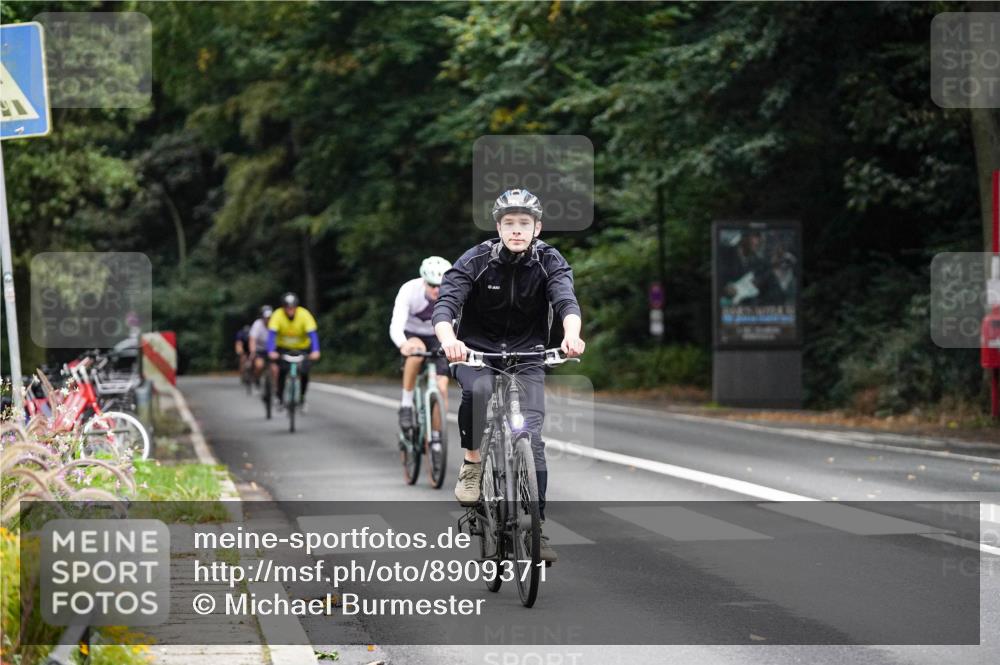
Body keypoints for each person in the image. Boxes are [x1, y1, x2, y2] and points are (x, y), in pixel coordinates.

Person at [433, 188, 585, 564]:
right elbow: (446, 304)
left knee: (531, 439)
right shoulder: (476, 260)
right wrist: (450, 340)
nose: (517, 230)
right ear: (498, 227)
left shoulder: (549, 260)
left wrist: (571, 334)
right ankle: (472, 464)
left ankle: (537, 528)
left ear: (537, 228)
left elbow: (565, 300)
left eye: (524, 223)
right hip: (475, 352)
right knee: (480, 390)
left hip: (528, 354)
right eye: (509, 223)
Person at [390, 256, 452, 436]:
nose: (436, 289)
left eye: (441, 285)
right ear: (424, 281)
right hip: (413, 333)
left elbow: (459, 323)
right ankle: (406, 404)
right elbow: (396, 323)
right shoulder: (409, 290)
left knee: (442, 386)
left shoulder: (453, 291)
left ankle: (436, 437)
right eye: (432, 285)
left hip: (438, 334)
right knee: (416, 353)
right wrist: (402, 344)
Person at [267, 293, 320, 410]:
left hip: (302, 348)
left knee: (305, 372)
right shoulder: (277, 315)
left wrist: (315, 350)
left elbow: (312, 334)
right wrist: (271, 351)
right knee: (281, 371)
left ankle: (302, 397)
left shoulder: (304, 314)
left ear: (296, 307)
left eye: (292, 307)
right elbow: (271, 335)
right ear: (283, 307)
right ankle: (280, 398)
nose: (290, 310)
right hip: (283, 348)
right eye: (287, 307)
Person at [248, 305, 273, 385]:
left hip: (272, 349)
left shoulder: (275, 324)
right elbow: (252, 339)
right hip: (260, 349)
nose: (268, 320)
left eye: (269, 317)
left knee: (275, 368)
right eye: (266, 317)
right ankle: (257, 378)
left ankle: (276, 386)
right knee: (259, 365)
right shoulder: (257, 324)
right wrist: (253, 351)